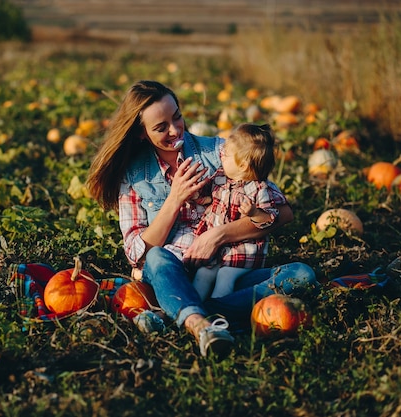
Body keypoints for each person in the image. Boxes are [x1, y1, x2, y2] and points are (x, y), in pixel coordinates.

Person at [86, 80, 318, 358]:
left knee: (301, 275)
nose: (174, 130)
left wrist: (218, 235)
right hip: (171, 272)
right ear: (141, 134)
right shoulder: (134, 177)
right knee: (158, 257)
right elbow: (139, 253)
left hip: (223, 273)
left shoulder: (221, 152)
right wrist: (174, 199)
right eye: (161, 128)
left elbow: (282, 213)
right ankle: (201, 325)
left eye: (177, 117)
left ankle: (187, 314)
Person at [191, 123, 287, 301]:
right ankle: (195, 304)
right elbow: (209, 195)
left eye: (226, 154)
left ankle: (220, 306)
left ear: (242, 165)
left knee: (225, 276)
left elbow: (270, 218)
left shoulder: (258, 189)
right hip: (219, 251)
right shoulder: (221, 177)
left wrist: (254, 212)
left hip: (242, 253)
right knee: (203, 274)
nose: (221, 155)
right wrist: (199, 196)